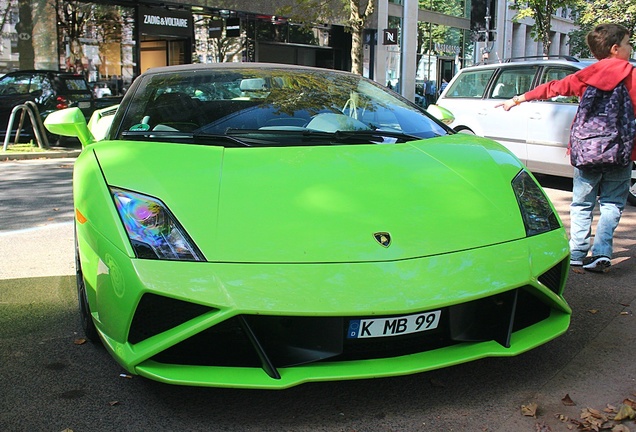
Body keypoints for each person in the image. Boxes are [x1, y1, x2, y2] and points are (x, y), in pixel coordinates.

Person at [496, 23, 636, 273]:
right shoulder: (632, 76)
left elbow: (553, 88)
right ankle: (602, 251)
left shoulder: (587, 75)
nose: (630, 47)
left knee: (582, 204)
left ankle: (577, 252)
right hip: (620, 152)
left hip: (587, 152)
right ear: (615, 49)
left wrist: (518, 99)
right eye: (628, 43)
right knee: (613, 203)